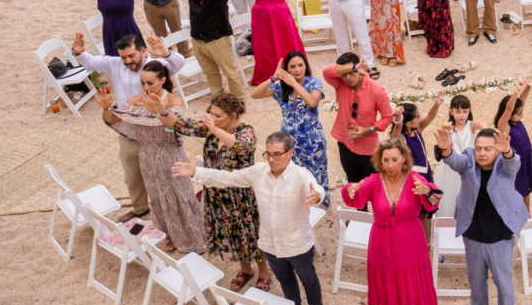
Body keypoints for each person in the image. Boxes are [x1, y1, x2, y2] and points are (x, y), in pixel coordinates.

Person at [173, 132, 325, 305]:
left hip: (297, 245)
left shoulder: (300, 175)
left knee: (309, 280)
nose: (271, 159)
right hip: (269, 244)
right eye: (268, 154)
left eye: (277, 154)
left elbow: (314, 187)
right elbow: (227, 178)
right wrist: (195, 172)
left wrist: (317, 196)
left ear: (290, 153)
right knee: (285, 279)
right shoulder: (258, 171)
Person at [153, 92, 270, 292]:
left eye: (219, 115)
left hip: (241, 197)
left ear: (233, 115)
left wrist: (214, 129)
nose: (213, 119)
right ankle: (245, 269)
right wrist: (161, 111)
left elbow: (241, 146)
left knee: (250, 235)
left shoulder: (246, 132)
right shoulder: (212, 129)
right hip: (217, 195)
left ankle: (264, 271)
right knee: (231, 235)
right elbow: (182, 125)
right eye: (211, 114)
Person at [73, 32, 186, 219]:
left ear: (143, 51)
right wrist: (77, 52)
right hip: (129, 130)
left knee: (166, 176)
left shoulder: (156, 67)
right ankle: (140, 209)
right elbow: (89, 60)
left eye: (131, 56)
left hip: (158, 131)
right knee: (132, 175)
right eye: (124, 57)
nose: (127, 61)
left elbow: (178, 63)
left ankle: (173, 211)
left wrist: (166, 54)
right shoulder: (116, 64)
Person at [340, 141, 442, 305]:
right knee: (385, 282)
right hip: (381, 241)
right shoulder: (374, 180)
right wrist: (350, 189)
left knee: (412, 280)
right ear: (380, 160)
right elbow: (355, 197)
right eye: (385, 160)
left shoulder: (414, 179)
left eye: (395, 159)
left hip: (411, 240)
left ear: (404, 158)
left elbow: (435, 197)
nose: (390, 164)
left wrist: (426, 191)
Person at [436, 125, 528, 305]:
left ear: (496, 150)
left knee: (504, 283)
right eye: (478, 148)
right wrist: (446, 151)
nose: (482, 153)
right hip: (473, 234)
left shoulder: (503, 163)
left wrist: (507, 152)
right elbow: (455, 162)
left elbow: (513, 165)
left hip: (500, 236)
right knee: (476, 282)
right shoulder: (468, 158)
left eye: (488, 149)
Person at [95, 77, 207, 254]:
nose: (146, 87)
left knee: (180, 195)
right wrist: (106, 108)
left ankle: (193, 235)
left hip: (171, 154)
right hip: (147, 156)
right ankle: (170, 235)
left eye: (151, 82)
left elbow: (178, 129)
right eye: (143, 83)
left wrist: (160, 111)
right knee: (158, 198)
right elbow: (115, 121)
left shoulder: (174, 100)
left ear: (162, 80)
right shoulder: (135, 101)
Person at [161, 0, 245, 97]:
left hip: (218, 39)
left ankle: (238, 101)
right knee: (211, 74)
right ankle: (218, 100)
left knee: (231, 73)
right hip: (198, 40)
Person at [252, 50, 331, 207]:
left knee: (316, 170)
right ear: (286, 69)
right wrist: (273, 78)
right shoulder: (281, 87)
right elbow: (255, 94)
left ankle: (320, 200)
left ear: (305, 66)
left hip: (312, 138)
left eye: (300, 65)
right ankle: (298, 201)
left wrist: (294, 83)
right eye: (293, 66)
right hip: (288, 139)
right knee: (292, 171)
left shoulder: (313, 83)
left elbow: (312, 102)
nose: (297, 70)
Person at [229, 0, 305, 86]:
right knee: (264, 47)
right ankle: (268, 77)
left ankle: (291, 74)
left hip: (279, 15)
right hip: (260, 16)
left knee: (285, 44)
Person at [323, 52, 394, 185]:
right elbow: (326, 71)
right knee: (354, 186)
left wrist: (368, 129)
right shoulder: (340, 84)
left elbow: (388, 117)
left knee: (374, 188)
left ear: (361, 71)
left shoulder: (377, 90)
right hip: (345, 144)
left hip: (368, 149)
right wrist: (353, 68)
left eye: (352, 73)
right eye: (344, 74)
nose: (348, 78)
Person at [433, 94, 482, 218]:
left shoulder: (471, 125)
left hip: (468, 166)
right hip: (450, 169)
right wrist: (445, 129)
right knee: (450, 196)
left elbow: (479, 124)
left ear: (469, 111)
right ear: (451, 111)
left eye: (465, 112)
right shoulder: (448, 126)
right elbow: (443, 129)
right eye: (458, 111)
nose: (461, 115)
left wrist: (489, 132)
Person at [495, 80, 532, 211]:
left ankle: (527, 214)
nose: (522, 115)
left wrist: (527, 88)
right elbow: (509, 108)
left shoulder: (515, 120)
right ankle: (514, 213)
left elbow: (521, 102)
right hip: (514, 163)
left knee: (526, 190)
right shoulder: (504, 125)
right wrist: (516, 91)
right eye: (518, 114)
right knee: (518, 189)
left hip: (525, 159)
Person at [388, 95, 443, 185]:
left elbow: (430, 116)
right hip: (410, 176)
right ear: (409, 124)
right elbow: (398, 126)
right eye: (417, 117)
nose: (420, 118)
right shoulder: (399, 138)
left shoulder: (418, 129)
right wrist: (398, 115)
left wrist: (437, 105)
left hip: (425, 170)